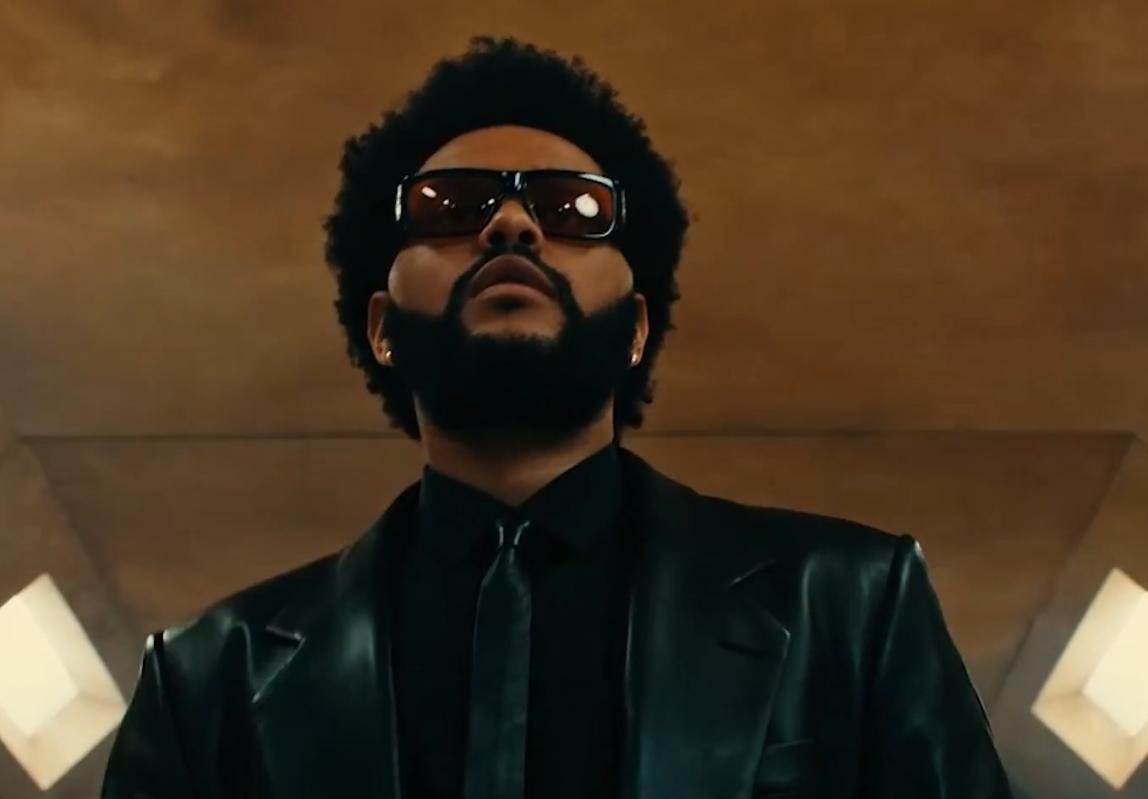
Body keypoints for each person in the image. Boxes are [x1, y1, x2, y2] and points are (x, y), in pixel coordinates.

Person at [101, 35, 1015, 799]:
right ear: (381, 327)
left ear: (637, 329)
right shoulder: (205, 679)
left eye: (574, 209)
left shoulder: (854, 605)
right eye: (449, 206)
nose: (511, 224)